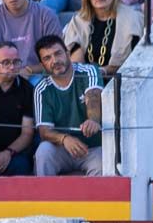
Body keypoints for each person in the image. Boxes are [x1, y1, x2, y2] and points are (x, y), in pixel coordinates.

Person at [32, 33, 102, 175]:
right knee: (43, 151)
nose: (55, 60)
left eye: (58, 53)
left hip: (93, 148)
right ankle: (45, 196)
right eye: (47, 58)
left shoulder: (89, 71)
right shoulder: (41, 89)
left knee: (102, 163)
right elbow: (44, 131)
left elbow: (93, 97)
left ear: (67, 53)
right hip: (62, 149)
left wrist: (93, 120)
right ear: (42, 65)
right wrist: (64, 139)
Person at [63, 0, 143, 77]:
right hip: (86, 83)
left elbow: (133, 63)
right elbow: (76, 63)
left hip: (119, 82)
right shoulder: (78, 21)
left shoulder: (133, 19)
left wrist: (104, 71)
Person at [0, 0, 61, 83]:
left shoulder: (47, 16)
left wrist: (29, 70)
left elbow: (55, 59)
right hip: (3, 78)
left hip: (36, 77)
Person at [0, 40, 33, 174]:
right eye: (6, 62)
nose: (12, 67)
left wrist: (8, 153)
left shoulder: (27, 90)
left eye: (16, 62)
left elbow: (27, 133)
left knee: (22, 166)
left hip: (13, 153)